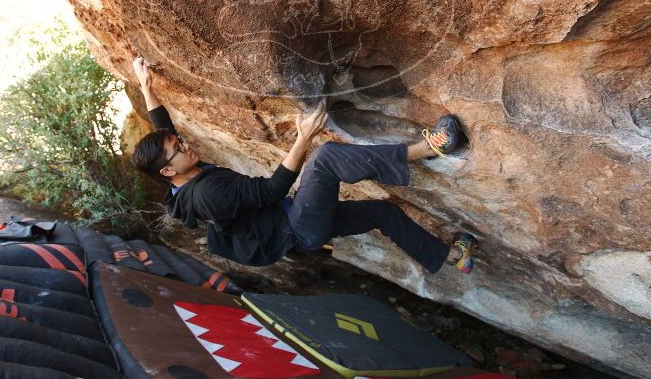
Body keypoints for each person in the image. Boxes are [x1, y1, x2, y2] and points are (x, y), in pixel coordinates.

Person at [130, 57, 476, 275]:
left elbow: (165, 132)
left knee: (382, 213)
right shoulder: (207, 193)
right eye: (179, 149)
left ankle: (452, 258)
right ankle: (429, 149)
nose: (186, 145)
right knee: (324, 158)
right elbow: (270, 190)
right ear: (168, 171)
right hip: (296, 227)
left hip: (293, 220)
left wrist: (147, 87)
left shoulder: (183, 176)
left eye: (180, 143)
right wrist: (302, 138)